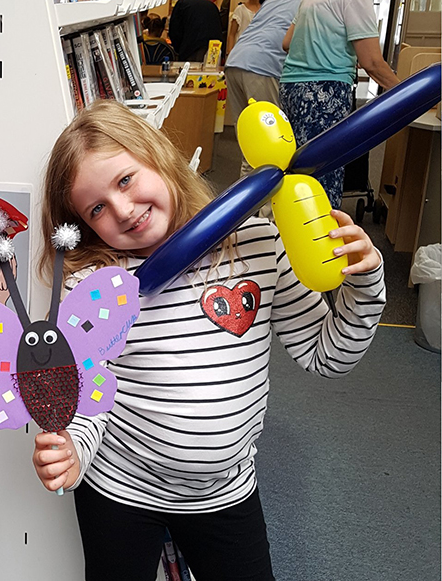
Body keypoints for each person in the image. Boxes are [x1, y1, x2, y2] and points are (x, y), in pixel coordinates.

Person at [30, 100, 385, 580]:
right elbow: (94, 394)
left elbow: (327, 355)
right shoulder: (95, 286)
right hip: (121, 488)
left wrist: (364, 282)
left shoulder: (259, 243)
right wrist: (74, 445)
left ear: (158, 157)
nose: (123, 209)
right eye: (97, 208)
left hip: (224, 493)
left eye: (126, 180)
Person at [279, 0, 400, 209]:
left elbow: (287, 42)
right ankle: (320, 236)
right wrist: (408, 90)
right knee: (324, 173)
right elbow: (372, 62)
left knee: (297, 168)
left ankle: (290, 231)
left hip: (292, 87)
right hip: (324, 91)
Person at [225, 0, 302, 177]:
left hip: (237, 61)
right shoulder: (308, 4)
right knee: (270, 143)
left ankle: (248, 202)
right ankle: (267, 204)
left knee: (249, 141)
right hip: (263, 65)